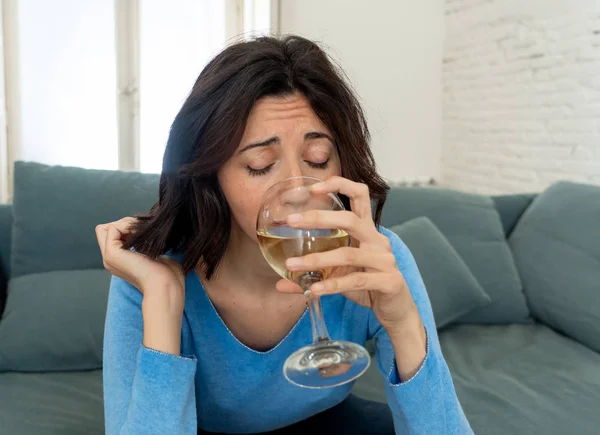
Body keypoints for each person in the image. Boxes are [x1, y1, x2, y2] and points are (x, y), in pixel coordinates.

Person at [95, 35, 473, 435]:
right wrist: (165, 299)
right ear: (211, 177)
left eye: (318, 159)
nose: (299, 190)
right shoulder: (147, 274)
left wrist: (404, 324)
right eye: (260, 164)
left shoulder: (372, 257)